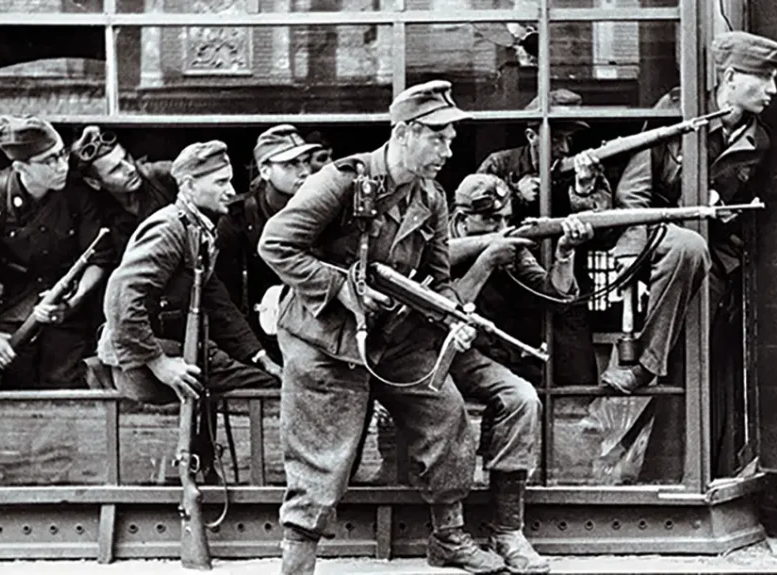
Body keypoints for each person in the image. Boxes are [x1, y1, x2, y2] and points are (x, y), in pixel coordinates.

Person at [260, 81, 519, 575]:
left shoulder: (433, 197)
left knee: (446, 416)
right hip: (325, 340)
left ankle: (449, 537)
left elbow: (440, 281)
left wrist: (453, 315)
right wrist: (341, 288)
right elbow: (276, 245)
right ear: (403, 133)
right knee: (321, 453)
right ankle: (298, 559)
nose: (448, 150)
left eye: (450, 139)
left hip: (396, 341)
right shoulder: (341, 181)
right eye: (438, 137)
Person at [602, 32, 777, 475]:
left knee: (700, 367)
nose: (773, 91)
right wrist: (635, 249)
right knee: (687, 245)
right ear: (731, 77)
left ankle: (685, 470)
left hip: (716, 265)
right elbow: (633, 193)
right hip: (659, 246)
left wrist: (724, 214)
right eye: (765, 79)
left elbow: (745, 210)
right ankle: (642, 367)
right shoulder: (678, 115)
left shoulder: (758, 142)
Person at [96, 140, 280, 410]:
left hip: (166, 352)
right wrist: (159, 363)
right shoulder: (169, 229)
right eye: (219, 183)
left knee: (265, 378)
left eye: (228, 182)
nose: (230, 191)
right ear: (190, 186)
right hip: (142, 364)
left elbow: (219, 305)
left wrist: (261, 357)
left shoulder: (197, 230)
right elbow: (121, 299)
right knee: (267, 388)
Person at [0, 115, 114, 390]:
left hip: (63, 313)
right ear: (20, 166)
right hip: (7, 313)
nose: (62, 166)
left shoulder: (77, 194)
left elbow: (99, 259)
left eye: (62, 154)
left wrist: (73, 301)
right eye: (49, 161)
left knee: (67, 390)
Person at [448, 173, 597, 387]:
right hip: (450, 357)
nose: (502, 228)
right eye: (492, 219)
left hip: (498, 358)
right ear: (463, 220)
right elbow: (445, 312)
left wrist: (564, 253)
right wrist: (487, 261)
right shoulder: (437, 248)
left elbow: (554, 297)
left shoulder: (511, 246)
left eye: (507, 219)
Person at [215, 125, 322, 363]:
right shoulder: (238, 219)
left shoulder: (325, 208)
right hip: (259, 339)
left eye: (305, 162)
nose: (304, 171)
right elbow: (224, 299)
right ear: (265, 170)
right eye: (290, 165)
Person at [477, 89, 610, 223]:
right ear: (531, 136)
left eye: (569, 138)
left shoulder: (584, 168)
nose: (565, 148)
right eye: (555, 139)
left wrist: (583, 189)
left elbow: (605, 226)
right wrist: (516, 195)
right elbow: (469, 215)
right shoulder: (499, 163)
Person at [69, 126, 179, 259]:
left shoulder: (160, 175)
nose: (131, 168)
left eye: (126, 158)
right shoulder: (99, 211)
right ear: (94, 183)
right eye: (116, 169)